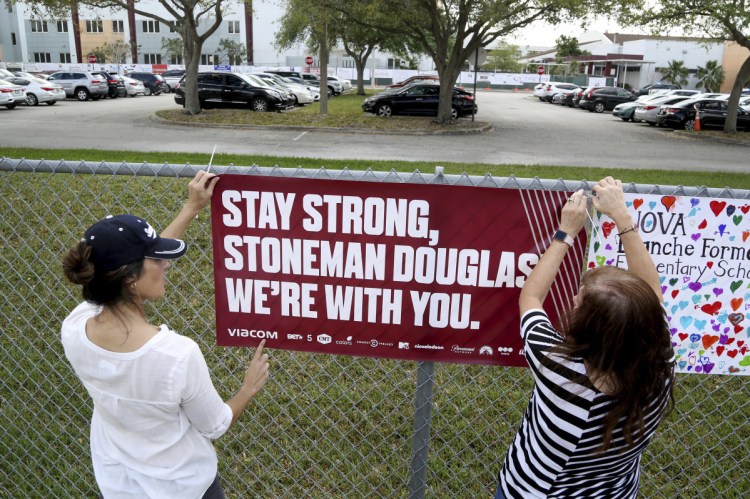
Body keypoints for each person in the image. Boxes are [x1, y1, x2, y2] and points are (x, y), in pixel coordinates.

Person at [61, 171, 269, 498]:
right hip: (183, 489)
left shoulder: (74, 328)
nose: (166, 265)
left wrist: (192, 207)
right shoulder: (176, 355)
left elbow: (129, 268)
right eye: (157, 259)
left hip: (118, 487)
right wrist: (248, 387)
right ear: (130, 278)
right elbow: (216, 425)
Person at [496, 177, 675, 498]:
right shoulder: (659, 368)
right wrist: (622, 217)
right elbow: (652, 295)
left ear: (590, 332)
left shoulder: (559, 370)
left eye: (580, 302)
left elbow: (531, 299)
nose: (575, 299)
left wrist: (566, 233)